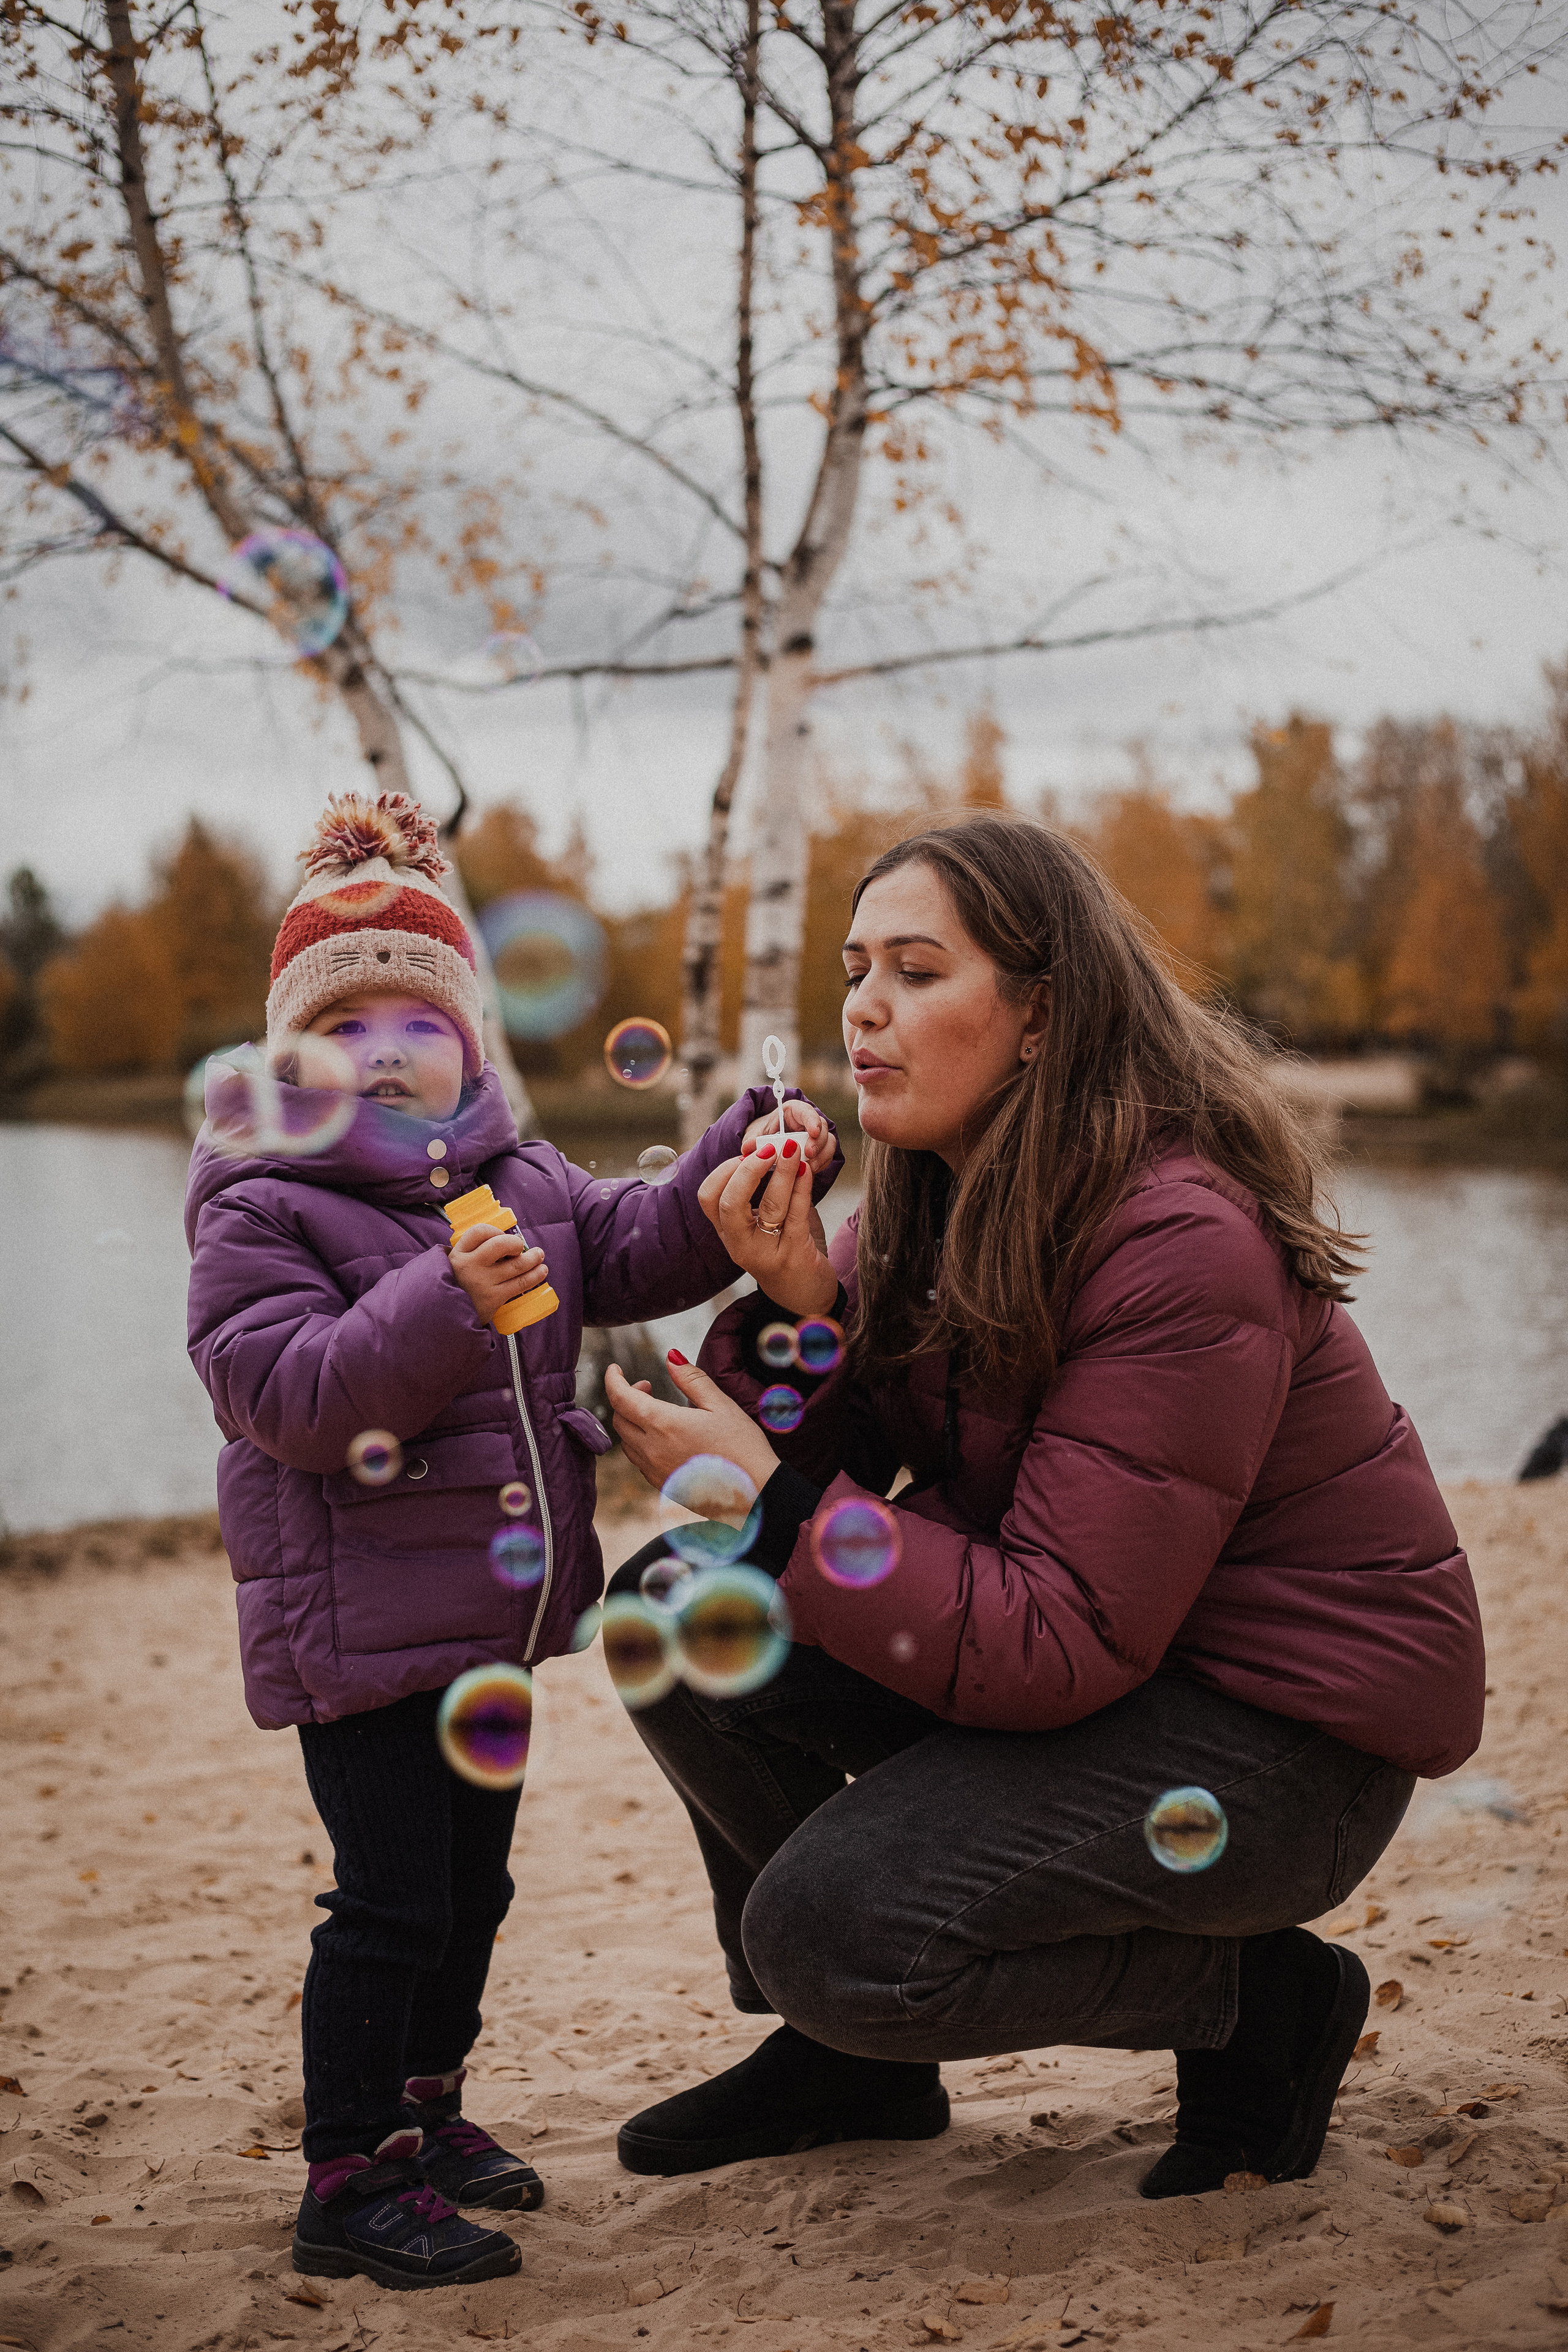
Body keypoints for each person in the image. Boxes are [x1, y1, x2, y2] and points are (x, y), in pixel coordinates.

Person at [601, 812, 1484, 2200]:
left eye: (914, 970)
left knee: (834, 1935)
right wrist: (801, 1316)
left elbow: (1051, 1636)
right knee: (671, 1603)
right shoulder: (922, 1204)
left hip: (1281, 1744)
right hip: (1112, 1678)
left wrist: (777, 1509)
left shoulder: (1177, 1240)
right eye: (852, 971)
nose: (863, 1010)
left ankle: (1261, 2008)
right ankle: (854, 2066)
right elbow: (893, 1493)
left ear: (1038, 1016)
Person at [184, 790, 837, 2291]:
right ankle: (346, 2171)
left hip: (482, 1620)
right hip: (353, 1631)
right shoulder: (258, 1204)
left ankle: (431, 2112)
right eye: (340, 1029)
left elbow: (649, 1243)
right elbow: (286, 1396)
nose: (383, 1048)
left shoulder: (526, 1184)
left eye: (415, 1016)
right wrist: (447, 1302)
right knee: (390, 1899)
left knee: (473, 1893)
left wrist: (738, 1154)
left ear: (470, 1039)